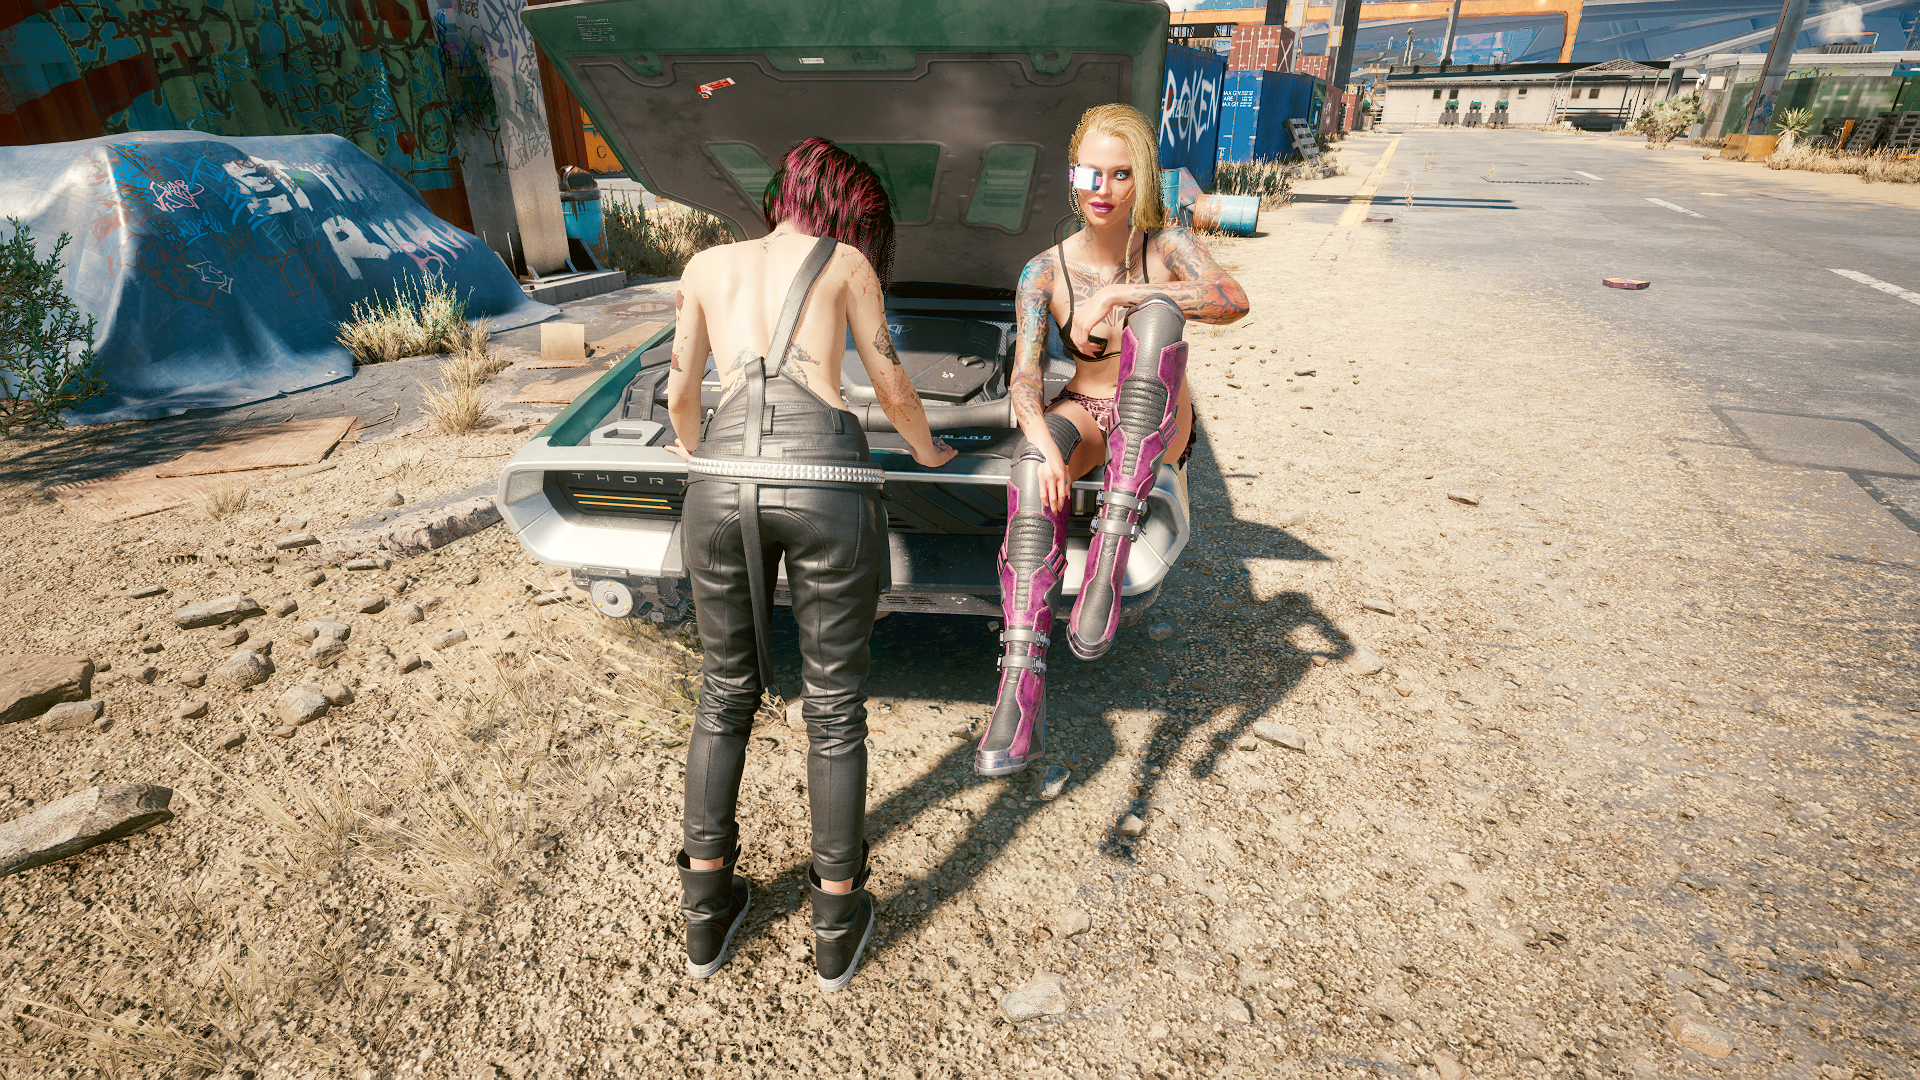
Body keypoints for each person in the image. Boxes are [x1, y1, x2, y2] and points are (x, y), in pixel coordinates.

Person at [665, 137, 957, 990]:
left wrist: (701, 455)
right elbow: (892, 385)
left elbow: (682, 392)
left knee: (724, 692)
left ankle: (706, 918)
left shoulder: (705, 265)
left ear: (782, 192)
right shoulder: (849, 265)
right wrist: (929, 453)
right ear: (847, 208)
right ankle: (835, 924)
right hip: (826, 482)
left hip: (720, 483)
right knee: (832, 706)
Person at [976, 103, 1250, 777]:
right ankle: (1019, 692)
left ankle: (1110, 553)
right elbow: (1025, 382)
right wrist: (1044, 447)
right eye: (1090, 173)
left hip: (1156, 419)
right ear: (1073, 176)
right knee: (1029, 470)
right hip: (1085, 411)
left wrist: (1120, 296)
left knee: (1156, 313)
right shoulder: (1043, 271)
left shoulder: (1166, 246)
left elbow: (1231, 298)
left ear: (1143, 178)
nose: (1102, 189)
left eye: (1120, 174)